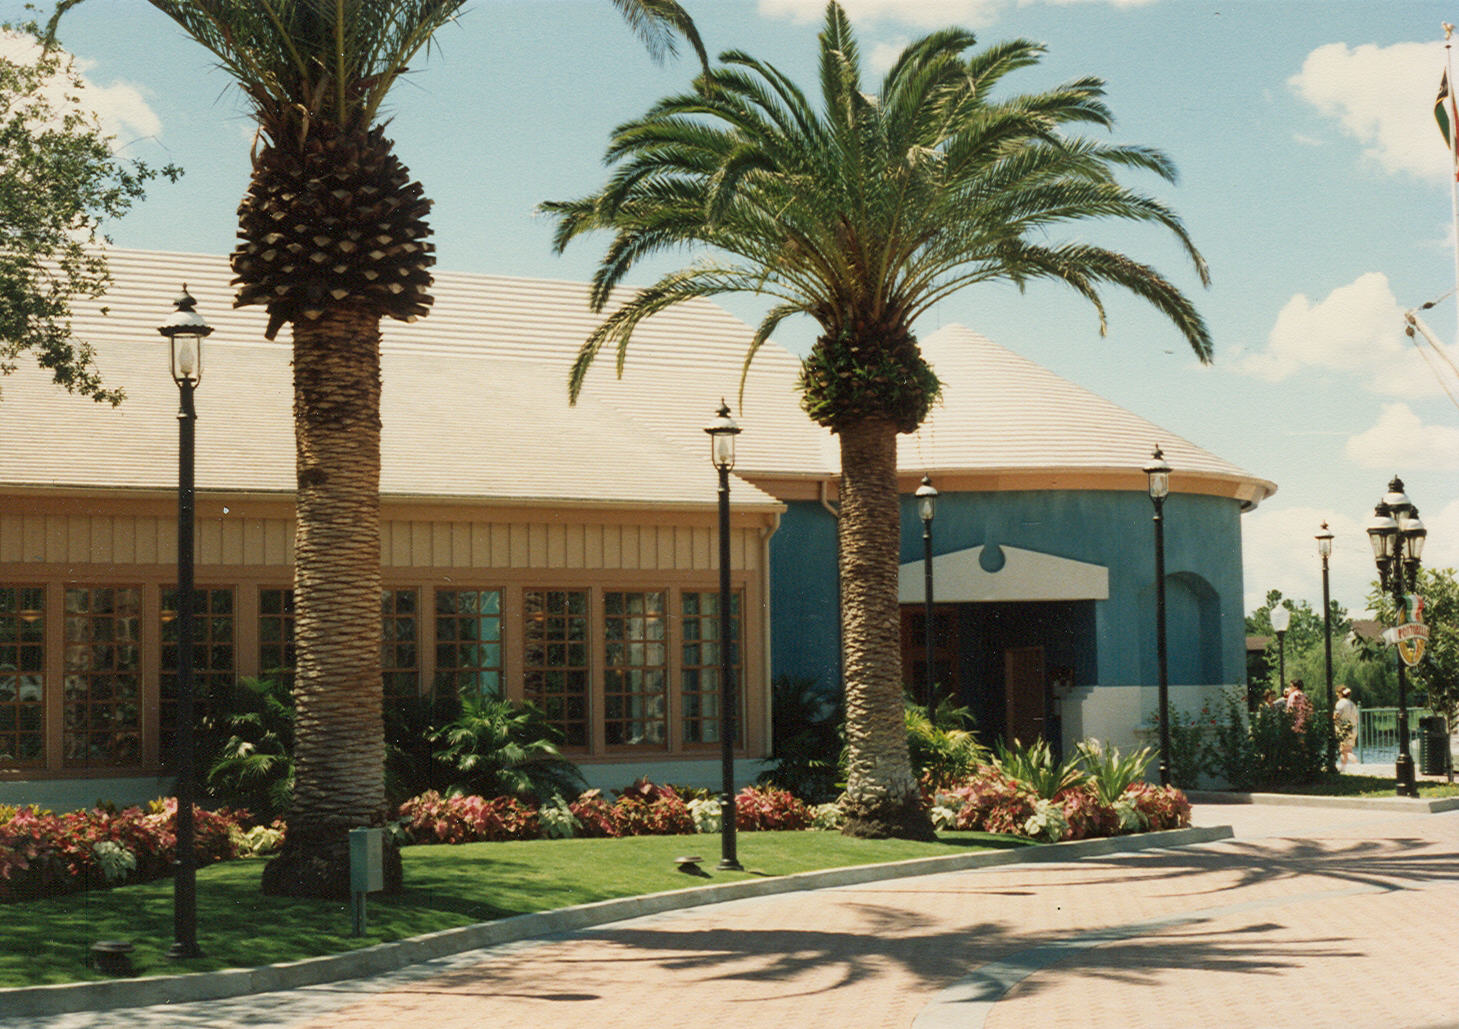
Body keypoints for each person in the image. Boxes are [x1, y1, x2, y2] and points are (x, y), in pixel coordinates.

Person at [1334, 686, 1359, 769]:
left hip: (1344, 730)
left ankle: (1358, 766)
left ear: (1340, 694)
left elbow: (1336, 715)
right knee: (1345, 750)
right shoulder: (1352, 704)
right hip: (1353, 728)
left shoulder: (1340, 703)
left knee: (1346, 751)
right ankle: (1343, 768)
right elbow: (1356, 717)